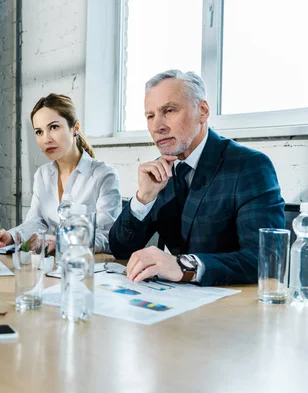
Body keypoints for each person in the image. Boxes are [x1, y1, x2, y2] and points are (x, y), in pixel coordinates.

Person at [108, 70, 285, 286]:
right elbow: (120, 250)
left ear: (202, 111)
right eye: (150, 116)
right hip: (173, 304)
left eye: (169, 110)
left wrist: (186, 265)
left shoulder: (249, 166)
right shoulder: (160, 171)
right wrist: (143, 197)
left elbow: (266, 258)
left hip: (230, 306)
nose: (157, 126)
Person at [0, 93, 122, 253]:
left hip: (89, 268)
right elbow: (36, 222)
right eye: (39, 132)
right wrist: (10, 236)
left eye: (54, 127)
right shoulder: (42, 175)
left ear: (75, 128)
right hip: (53, 267)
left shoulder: (104, 175)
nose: (46, 139)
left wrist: (62, 241)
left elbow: (107, 237)